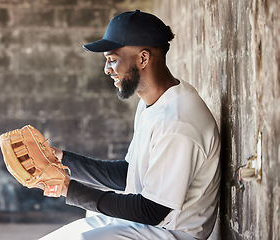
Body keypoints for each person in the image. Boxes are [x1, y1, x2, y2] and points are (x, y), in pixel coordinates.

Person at [40, 10, 221, 240]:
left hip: (170, 232)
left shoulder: (178, 122)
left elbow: (152, 210)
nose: (107, 70)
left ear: (143, 58)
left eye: (113, 59)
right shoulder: (152, 102)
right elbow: (130, 173)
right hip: (146, 225)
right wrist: (62, 160)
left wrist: (68, 189)